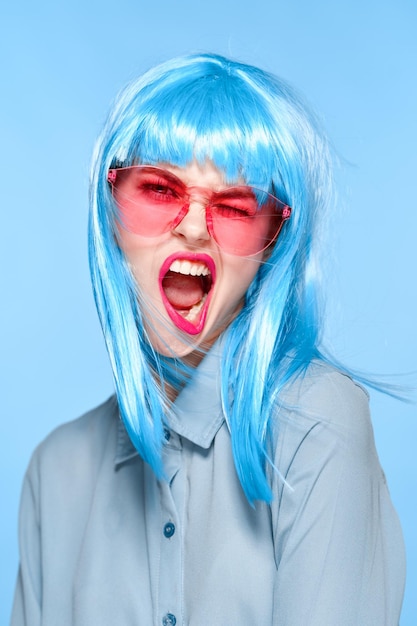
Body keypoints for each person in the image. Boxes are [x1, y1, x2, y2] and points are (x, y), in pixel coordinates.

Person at [11, 53, 405, 626]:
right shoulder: (57, 470)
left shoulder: (316, 422)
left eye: (235, 206)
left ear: (273, 243)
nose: (194, 227)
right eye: (159, 190)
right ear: (111, 212)